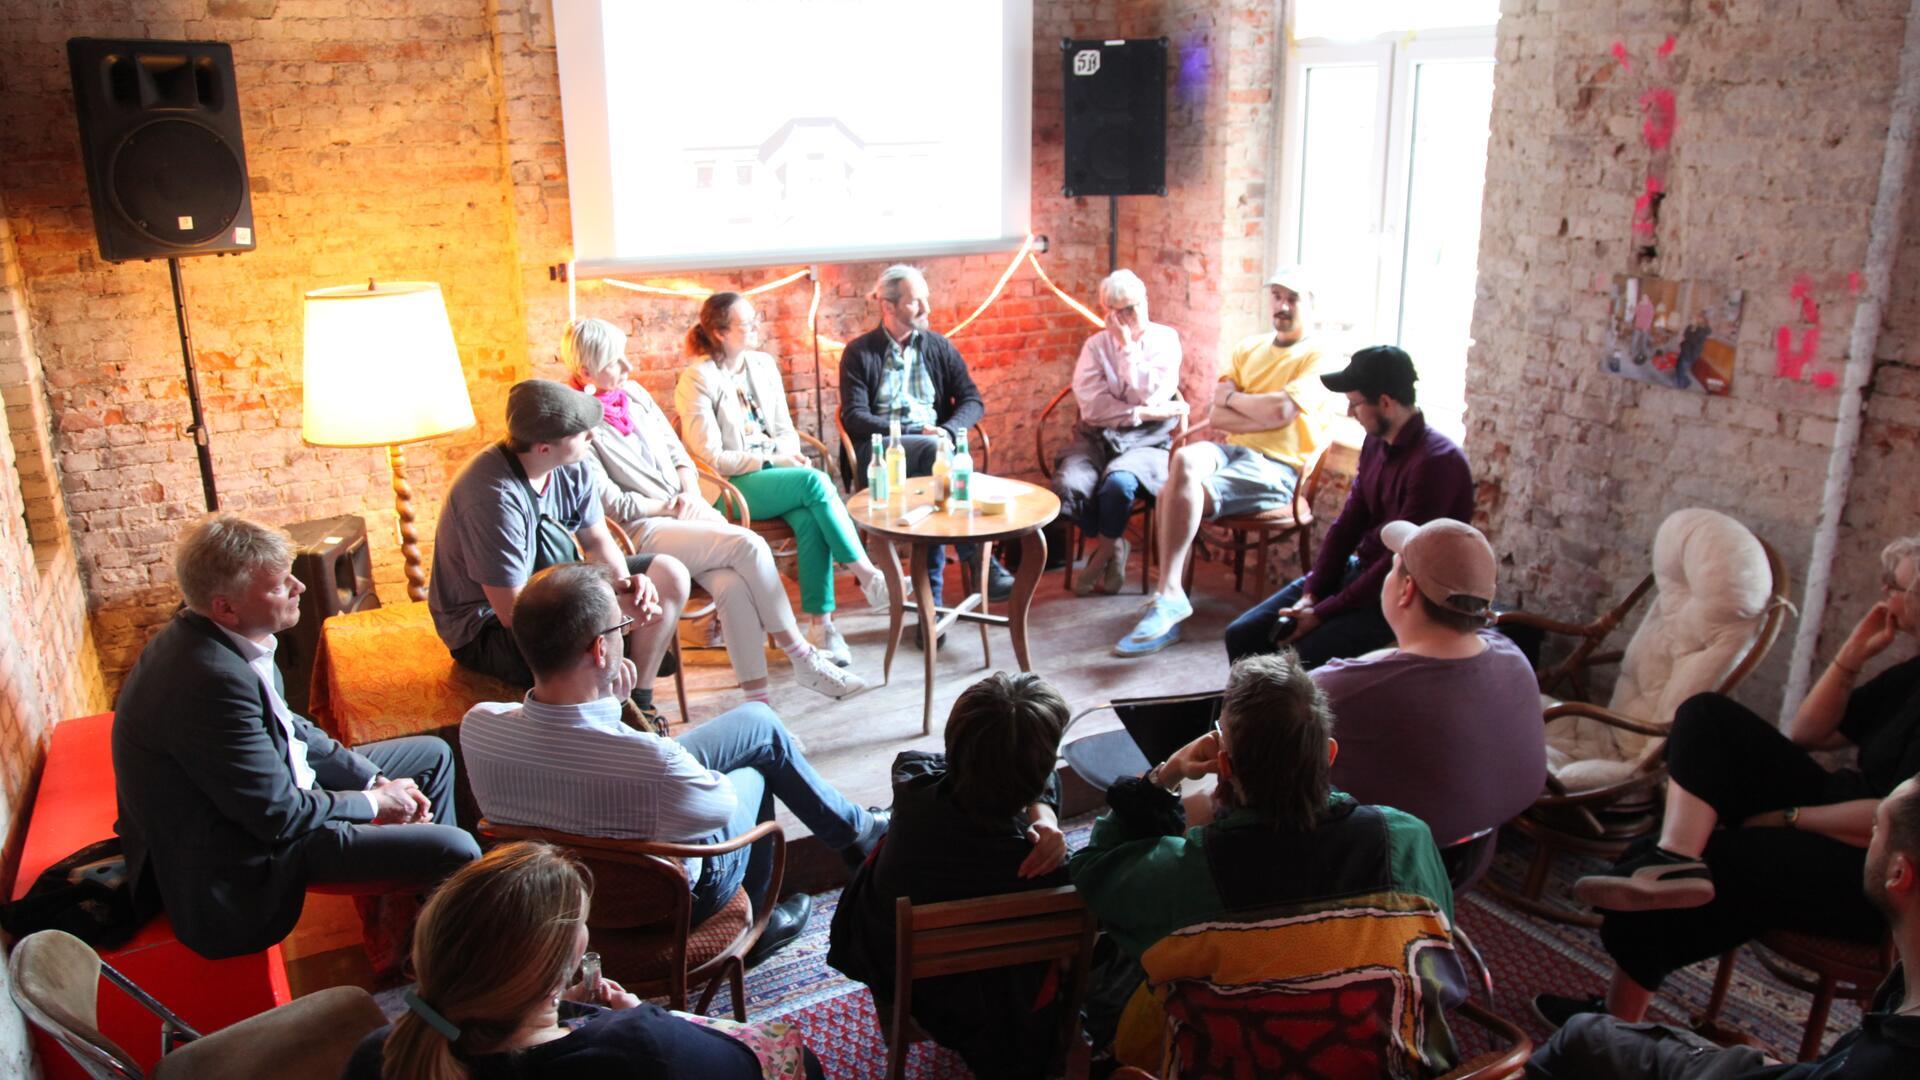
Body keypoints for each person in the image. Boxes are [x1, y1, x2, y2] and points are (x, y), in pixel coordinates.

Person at [1535, 534, 1920, 1029]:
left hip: (1882, 870)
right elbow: (1809, 732)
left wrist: (1788, 820)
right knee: (1705, 716)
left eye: (1896, 586)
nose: (1884, 593)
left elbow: (1898, 819)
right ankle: (1674, 859)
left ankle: (1616, 1026)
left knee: (1730, 859)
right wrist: (1851, 656)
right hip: (1846, 810)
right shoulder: (1912, 674)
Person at [460, 563, 890, 965]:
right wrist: (619, 708)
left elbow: (624, 761)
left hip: (552, 901)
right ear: (599, 650)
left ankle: (858, 831)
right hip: (665, 902)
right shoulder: (650, 761)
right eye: (620, 628)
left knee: (758, 723)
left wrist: (609, 704)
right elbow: (711, 797)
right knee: (757, 769)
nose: (623, 636)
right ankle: (761, 925)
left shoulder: (478, 727)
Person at [1068, 651, 1466, 1077]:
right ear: (1328, 754)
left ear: (1223, 766)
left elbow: (1094, 867)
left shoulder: (1187, 873)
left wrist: (1163, 776)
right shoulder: (1406, 838)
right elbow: (1438, 965)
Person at [112, 514, 480, 960]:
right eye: (279, 584)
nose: (299, 587)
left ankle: (429, 931)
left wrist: (373, 782)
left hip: (270, 802)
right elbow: (277, 815)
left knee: (431, 754)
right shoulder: (210, 680)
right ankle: (462, 954)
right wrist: (376, 805)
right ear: (226, 605)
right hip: (245, 851)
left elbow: (290, 725)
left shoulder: (216, 635)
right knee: (456, 847)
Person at [1526, 775, 1920, 1079]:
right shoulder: (1904, 993)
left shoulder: (1895, 1055)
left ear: (1898, 872)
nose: (1868, 837)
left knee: (1583, 1038)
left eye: (1875, 828)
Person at [562, 318, 864, 701]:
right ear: (585, 371)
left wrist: (688, 492)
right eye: (614, 363)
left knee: (733, 587)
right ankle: (803, 657)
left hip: (688, 508)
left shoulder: (635, 394)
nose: (627, 368)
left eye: (625, 358)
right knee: (749, 545)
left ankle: (760, 706)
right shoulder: (576, 425)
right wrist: (669, 506)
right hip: (644, 527)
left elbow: (678, 453)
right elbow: (613, 504)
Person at [346, 841, 824, 1079]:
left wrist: (565, 1009)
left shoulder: (382, 1054)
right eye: (581, 923)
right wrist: (641, 1016)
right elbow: (778, 1065)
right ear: (558, 969)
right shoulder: (639, 1046)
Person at [827, 672, 1073, 1080]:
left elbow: (932, 762)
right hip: (993, 1002)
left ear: (955, 744)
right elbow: (1045, 782)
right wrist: (1045, 813)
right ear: (1037, 775)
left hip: (897, 971)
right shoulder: (1041, 870)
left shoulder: (911, 787)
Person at [430, 378, 685, 732]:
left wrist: (624, 585)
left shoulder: (573, 463)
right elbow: (514, 614)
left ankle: (638, 706)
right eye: (581, 433)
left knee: (668, 575)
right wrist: (612, 615)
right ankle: (610, 719)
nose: (592, 437)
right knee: (613, 623)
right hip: (487, 627)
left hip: (553, 586)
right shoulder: (491, 498)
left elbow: (597, 540)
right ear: (543, 448)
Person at [1114, 267, 1327, 657]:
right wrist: (1248, 407)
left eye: (1292, 298)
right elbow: (1219, 415)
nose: (1281, 305)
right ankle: (1172, 593)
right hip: (1232, 451)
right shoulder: (1250, 348)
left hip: (1279, 466)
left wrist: (1236, 401)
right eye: (1276, 295)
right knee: (1186, 460)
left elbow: (1281, 413)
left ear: (1310, 304)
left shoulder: (1318, 355)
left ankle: (1169, 593)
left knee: (1174, 493)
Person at [1222, 344, 1475, 668]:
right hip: (1361, 574)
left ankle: (1290, 719)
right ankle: (1245, 718)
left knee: (1299, 658)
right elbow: (1348, 524)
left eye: (1355, 403)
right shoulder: (1376, 441)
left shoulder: (1437, 463)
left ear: (1385, 402)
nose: (1349, 412)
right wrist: (1312, 594)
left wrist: (1323, 613)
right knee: (1243, 634)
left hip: (1404, 596)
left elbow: (1400, 562)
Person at [675, 292, 892, 667]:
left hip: (776, 473)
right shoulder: (697, 379)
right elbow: (710, 456)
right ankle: (868, 573)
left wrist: (786, 454)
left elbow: (784, 429)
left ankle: (821, 627)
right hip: (730, 485)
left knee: (809, 516)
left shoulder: (762, 365)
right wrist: (771, 458)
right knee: (814, 483)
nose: (756, 327)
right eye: (747, 323)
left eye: (755, 318)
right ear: (720, 332)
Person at [1314, 518, 1546, 854]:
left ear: (1407, 590)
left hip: (1375, 878)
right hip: (1465, 863)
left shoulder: (1340, 688)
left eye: (1393, 569)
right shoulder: (1514, 657)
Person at [840, 264, 1015, 613]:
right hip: (883, 452)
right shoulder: (860, 353)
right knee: (939, 468)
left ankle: (929, 610)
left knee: (936, 493)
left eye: (926, 300)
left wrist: (947, 431)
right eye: (915, 302)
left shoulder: (938, 347)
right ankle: (978, 562)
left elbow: (971, 399)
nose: (927, 310)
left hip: (937, 450)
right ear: (888, 307)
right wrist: (913, 434)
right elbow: (855, 417)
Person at [1051, 269, 1188, 596]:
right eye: (1120, 311)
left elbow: (1150, 392)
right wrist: (1141, 413)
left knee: (1118, 485)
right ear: (1107, 314)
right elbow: (1093, 408)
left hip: (1148, 440)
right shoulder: (1095, 346)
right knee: (1069, 486)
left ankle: (1099, 558)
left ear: (1146, 301)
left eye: (1134, 306)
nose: (1130, 316)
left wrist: (1127, 348)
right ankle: (1114, 546)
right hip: (1095, 436)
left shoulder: (1165, 339)